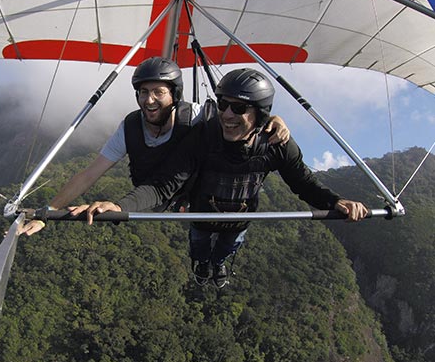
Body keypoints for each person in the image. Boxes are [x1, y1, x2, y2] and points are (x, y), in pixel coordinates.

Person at [75, 68, 369, 288]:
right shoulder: (203, 136)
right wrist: (120, 206)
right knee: (200, 249)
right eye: (223, 104)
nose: (227, 114)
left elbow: (303, 183)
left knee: (226, 249)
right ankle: (202, 264)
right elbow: (163, 186)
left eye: (238, 108)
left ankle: (218, 264)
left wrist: (336, 201)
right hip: (202, 216)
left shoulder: (276, 145)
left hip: (238, 220)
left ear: (261, 113)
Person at [20, 58, 290, 236]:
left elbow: (236, 118)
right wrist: (49, 212)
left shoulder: (196, 115)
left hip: (190, 193)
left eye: (158, 92)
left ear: (174, 95)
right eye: (143, 92)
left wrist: (272, 119)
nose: (149, 100)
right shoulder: (130, 128)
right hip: (152, 195)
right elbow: (89, 174)